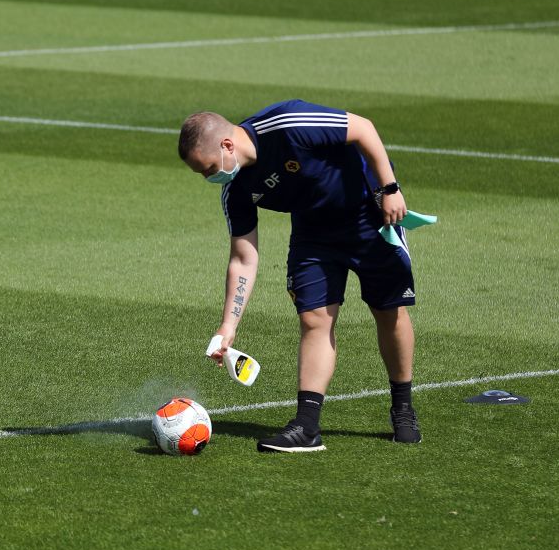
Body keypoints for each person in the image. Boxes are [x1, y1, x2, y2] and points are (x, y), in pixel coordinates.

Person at [177, 99, 421, 452]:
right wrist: (228, 326)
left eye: (209, 168)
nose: (209, 177)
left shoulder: (287, 123)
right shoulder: (236, 191)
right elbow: (243, 258)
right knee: (314, 319)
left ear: (227, 145)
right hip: (313, 234)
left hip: (368, 216)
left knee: (388, 310)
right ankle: (307, 426)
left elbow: (364, 128)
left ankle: (403, 409)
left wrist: (390, 189)